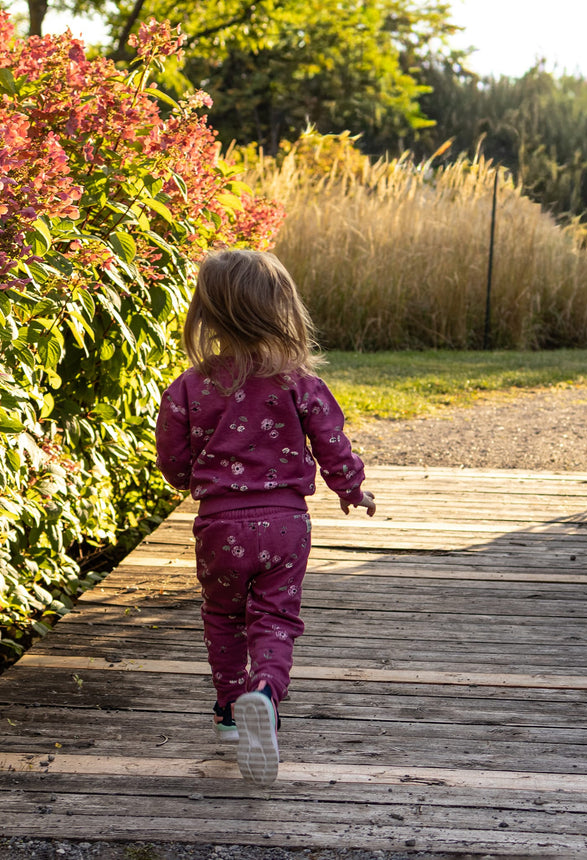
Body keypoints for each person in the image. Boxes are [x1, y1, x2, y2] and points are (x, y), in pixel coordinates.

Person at [155, 248, 376, 788]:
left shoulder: (188, 386)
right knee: (275, 618)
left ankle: (231, 709)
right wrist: (351, 488)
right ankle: (266, 692)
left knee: (224, 616)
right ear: (282, 309)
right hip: (285, 526)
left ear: (206, 314)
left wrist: (192, 481)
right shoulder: (297, 381)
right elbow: (331, 440)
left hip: (219, 527)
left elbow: (172, 457)